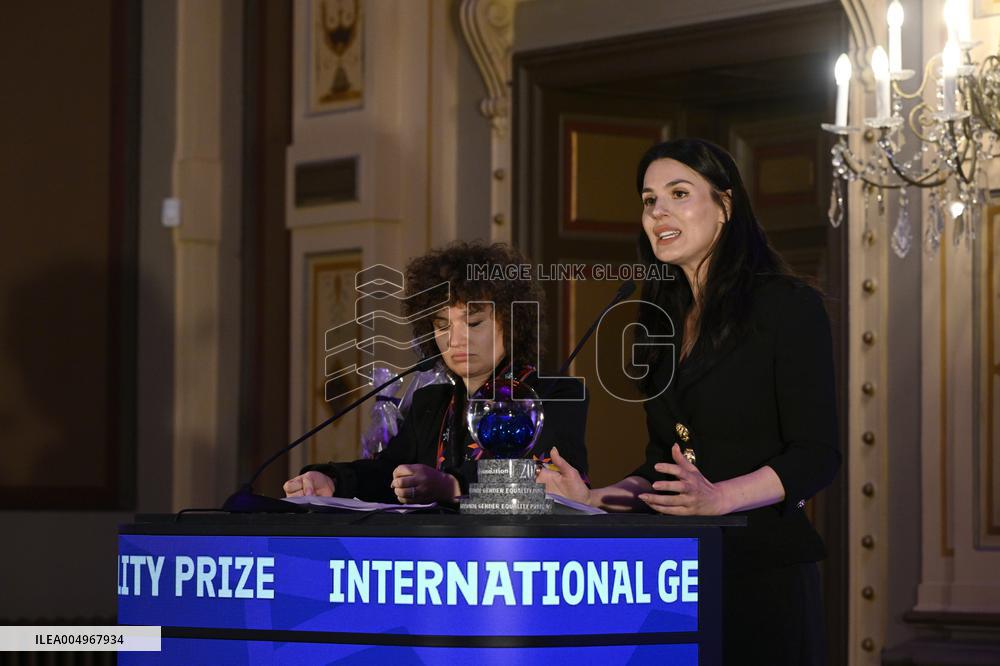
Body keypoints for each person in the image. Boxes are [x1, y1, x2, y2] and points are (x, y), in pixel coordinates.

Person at [537, 138, 840, 665]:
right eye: (649, 200)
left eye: (679, 194)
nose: (658, 212)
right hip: (676, 573)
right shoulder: (659, 320)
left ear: (725, 206)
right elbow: (663, 467)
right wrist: (592, 497)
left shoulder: (788, 307)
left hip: (763, 575)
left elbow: (816, 455)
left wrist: (720, 498)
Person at [284, 241, 589, 505]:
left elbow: (544, 480)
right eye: (442, 326)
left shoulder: (557, 393)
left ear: (512, 323)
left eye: (473, 323)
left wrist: (450, 486)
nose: (455, 340)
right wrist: (331, 480)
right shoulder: (430, 403)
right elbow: (388, 473)